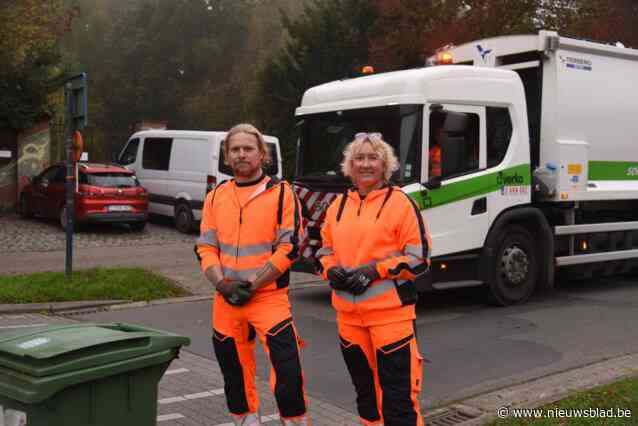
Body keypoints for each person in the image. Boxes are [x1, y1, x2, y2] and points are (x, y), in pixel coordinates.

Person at [195, 123, 310, 426]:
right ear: (227, 156)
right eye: (235, 149)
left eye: (248, 149)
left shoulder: (282, 194)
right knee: (234, 377)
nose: (241, 154)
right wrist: (222, 284)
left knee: (288, 375)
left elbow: (291, 247)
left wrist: (253, 283)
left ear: (262, 154)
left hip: (268, 299)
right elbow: (205, 248)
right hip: (226, 300)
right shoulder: (216, 196)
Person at [316, 132, 431, 426]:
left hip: (391, 319)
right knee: (366, 400)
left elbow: (420, 259)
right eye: (359, 158)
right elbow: (324, 250)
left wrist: (374, 270)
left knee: (399, 402)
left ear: (385, 164)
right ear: (349, 165)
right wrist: (330, 270)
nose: (365, 164)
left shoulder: (401, 204)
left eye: (373, 157)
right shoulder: (337, 206)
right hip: (349, 320)